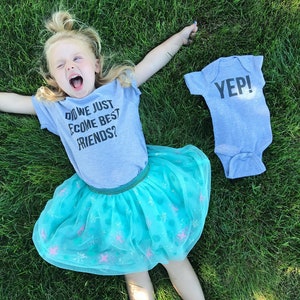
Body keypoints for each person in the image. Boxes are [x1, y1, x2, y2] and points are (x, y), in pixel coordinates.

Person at [0, 11, 211, 300]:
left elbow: (152, 61)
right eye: (60, 65)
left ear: (96, 65)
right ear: (53, 80)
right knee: (134, 268)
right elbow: (13, 101)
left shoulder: (120, 87)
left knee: (174, 256)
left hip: (147, 190)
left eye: (77, 59)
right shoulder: (55, 109)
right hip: (105, 205)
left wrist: (179, 38)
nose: (70, 66)